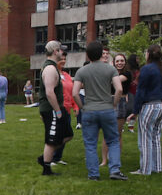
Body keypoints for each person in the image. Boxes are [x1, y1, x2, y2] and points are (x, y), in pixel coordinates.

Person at [72, 40, 125, 181]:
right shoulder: (110, 69)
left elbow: (75, 93)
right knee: (113, 140)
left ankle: (93, 174)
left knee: (90, 144)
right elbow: (119, 89)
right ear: (102, 53)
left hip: (89, 110)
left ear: (88, 55)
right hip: (107, 109)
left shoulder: (81, 71)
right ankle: (114, 170)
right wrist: (114, 104)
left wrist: (82, 107)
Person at [127, 44, 162, 175]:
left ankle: (145, 169)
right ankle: (156, 167)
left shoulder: (147, 69)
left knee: (145, 138)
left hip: (150, 105)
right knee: (156, 137)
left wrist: (135, 111)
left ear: (149, 54)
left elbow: (141, 91)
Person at [36, 41, 74, 176]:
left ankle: (44, 157)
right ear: (55, 52)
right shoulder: (50, 69)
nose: (62, 53)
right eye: (60, 50)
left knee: (68, 134)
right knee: (52, 140)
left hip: (56, 108)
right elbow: (49, 92)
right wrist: (57, 111)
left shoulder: (53, 67)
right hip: (52, 109)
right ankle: (46, 168)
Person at [101, 53, 132, 167]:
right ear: (114, 62)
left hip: (121, 103)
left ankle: (115, 158)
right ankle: (104, 160)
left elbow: (115, 81)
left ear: (125, 62)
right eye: (117, 61)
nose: (119, 63)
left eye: (122, 61)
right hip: (108, 102)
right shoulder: (110, 72)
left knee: (117, 134)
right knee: (106, 134)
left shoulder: (127, 74)